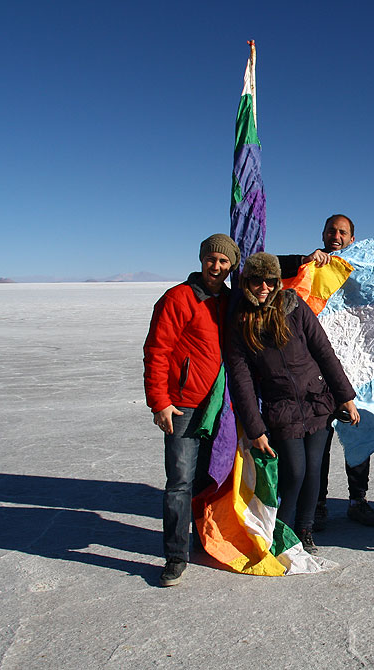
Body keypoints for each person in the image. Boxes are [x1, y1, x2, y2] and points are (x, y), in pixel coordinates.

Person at [278, 214, 374, 530]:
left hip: (357, 367)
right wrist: (304, 260)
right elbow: (269, 270)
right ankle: (317, 504)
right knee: (319, 441)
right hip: (316, 372)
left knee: (358, 433)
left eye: (342, 232)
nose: (336, 236)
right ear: (323, 234)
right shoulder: (308, 266)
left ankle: (358, 500)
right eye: (332, 231)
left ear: (352, 239)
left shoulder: (361, 265)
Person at [225, 252, 360, 555]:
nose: (263, 287)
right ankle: (282, 532)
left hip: (317, 401)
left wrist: (345, 397)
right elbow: (241, 379)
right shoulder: (241, 321)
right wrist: (255, 428)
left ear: (277, 281)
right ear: (247, 283)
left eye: (269, 280)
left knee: (313, 470)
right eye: (256, 281)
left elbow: (324, 351)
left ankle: (305, 529)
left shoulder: (295, 307)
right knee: (295, 471)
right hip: (281, 408)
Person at [143, 233, 240, 587]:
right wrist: (160, 402)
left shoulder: (229, 301)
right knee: (179, 482)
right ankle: (175, 555)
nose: (216, 266)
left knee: (209, 478)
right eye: (211, 259)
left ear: (231, 266)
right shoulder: (178, 298)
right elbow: (157, 350)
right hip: (183, 405)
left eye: (224, 261)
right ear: (202, 260)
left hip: (219, 406)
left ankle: (203, 539)